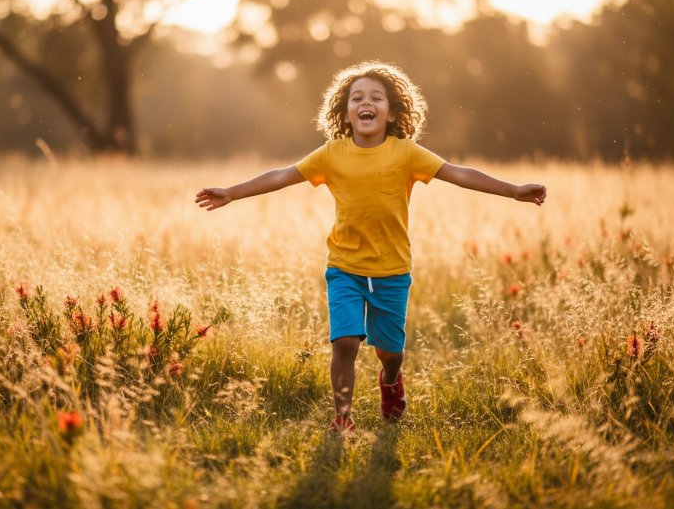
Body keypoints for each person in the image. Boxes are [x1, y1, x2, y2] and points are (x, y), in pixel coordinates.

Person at [195, 61, 546, 434]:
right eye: (357, 97)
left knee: (389, 351)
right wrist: (231, 192)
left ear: (391, 111)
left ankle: (391, 379)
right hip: (344, 267)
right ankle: (343, 417)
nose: (367, 103)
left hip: (392, 271)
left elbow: (458, 173)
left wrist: (512, 191)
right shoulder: (332, 154)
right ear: (345, 112)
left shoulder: (406, 153)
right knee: (344, 342)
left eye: (376, 97)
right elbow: (282, 175)